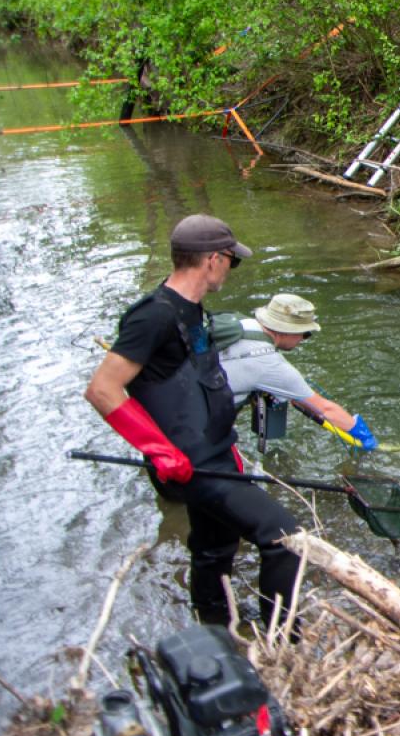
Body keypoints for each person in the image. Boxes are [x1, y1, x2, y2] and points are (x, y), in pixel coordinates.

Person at [84, 215, 302, 628]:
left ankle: (215, 628)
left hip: (213, 453)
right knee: (285, 538)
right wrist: (160, 451)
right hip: (189, 463)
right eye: (232, 261)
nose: (231, 269)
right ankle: (282, 641)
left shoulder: (192, 309)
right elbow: (102, 389)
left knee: (215, 547)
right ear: (213, 259)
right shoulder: (154, 315)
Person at [216, 293, 378, 450]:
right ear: (287, 330)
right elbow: (325, 409)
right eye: (305, 333)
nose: (303, 339)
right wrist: (363, 436)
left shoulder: (241, 323)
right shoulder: (271, 365)